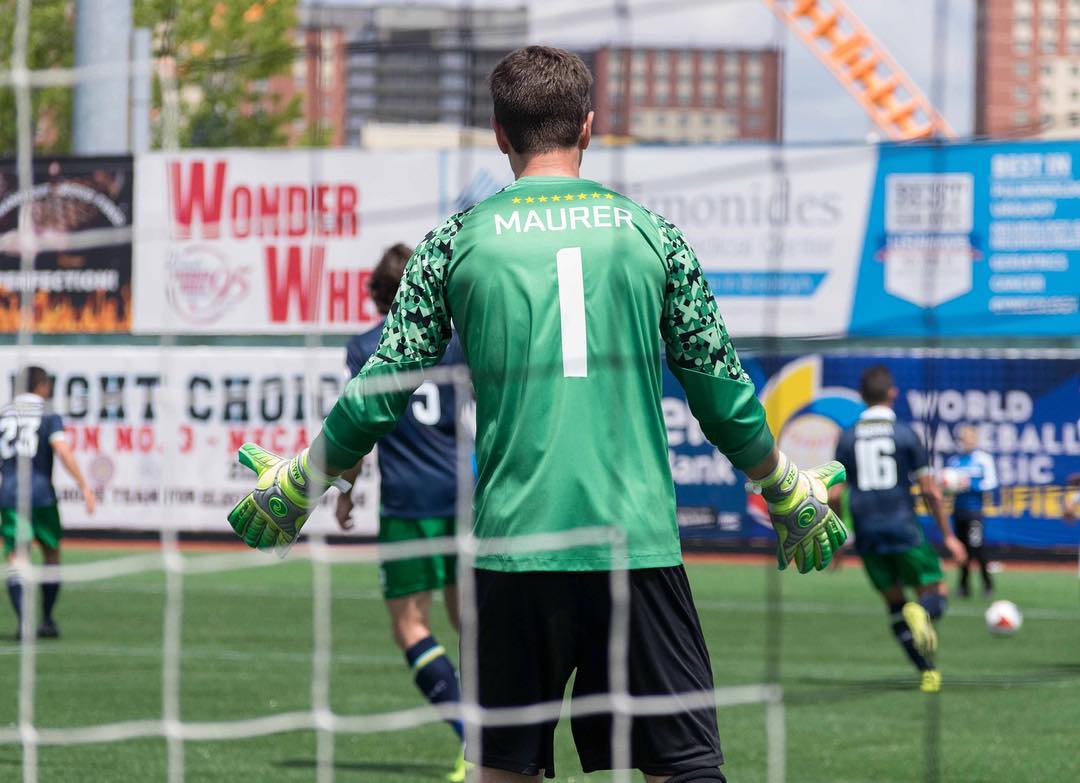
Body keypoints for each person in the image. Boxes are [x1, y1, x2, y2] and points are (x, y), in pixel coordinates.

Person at [227, 46, 847, 783]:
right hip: (635, 547)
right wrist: (781, 485)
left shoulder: (452, 243)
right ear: (589, 127)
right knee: (685, 770)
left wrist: (304, 478)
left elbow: (383, 382)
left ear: (498, 133)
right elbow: (719, 388)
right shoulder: (654, 233)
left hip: (514, 551)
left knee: (503, 771)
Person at [336, 242, 468, 783]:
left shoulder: (366, 345)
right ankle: (507, 739)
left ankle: (472, 736)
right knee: (472, 625)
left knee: (411, 626)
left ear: (375, 291)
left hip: (408, 500)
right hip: (464, 495)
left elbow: (360, 421)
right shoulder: (454, 343)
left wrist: (346, 488)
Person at [831, 365, 966, 694]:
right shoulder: (905, 434)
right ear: (892, 393)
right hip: (903, 528)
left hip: (867, 533)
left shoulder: (847, 437)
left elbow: (834, 493)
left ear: (862, 397)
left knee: (894, 607)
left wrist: (837, 542)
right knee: (938, 595)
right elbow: (931, 491)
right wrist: (948, 535)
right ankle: (922, 611)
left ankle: (927, 672)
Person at [1, 365, 96, 639]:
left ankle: (23, 623)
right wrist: (84, 486)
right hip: (42, 495)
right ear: (42, 386)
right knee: (51, 553)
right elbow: (63, 451)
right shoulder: (48, 414)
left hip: (9, 495)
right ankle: (46, 619)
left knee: (17, 557)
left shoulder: (4, 414)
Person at [944, 424, 998, 597]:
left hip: (974, 512)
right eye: (963, 438)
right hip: (958, 511)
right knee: (962, 550)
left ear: (975, 439)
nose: (966, 441)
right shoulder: (955, 461)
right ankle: (963, 586)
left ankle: (987, 584)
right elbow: (948, 488)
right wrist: (947, 486)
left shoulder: (983, 459)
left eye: (969, 438)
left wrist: (970, 484)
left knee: (977, 547)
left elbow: (991, 483)